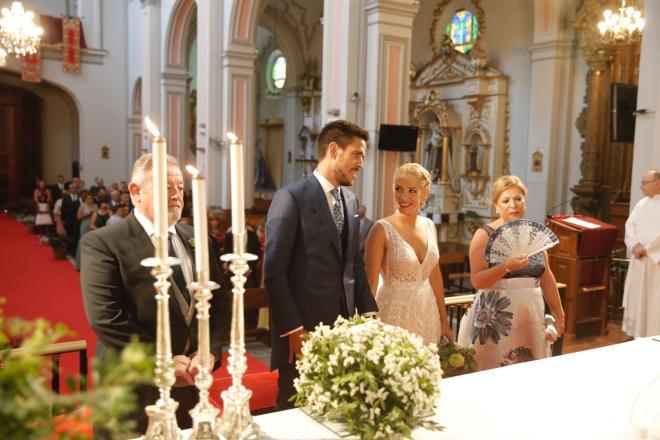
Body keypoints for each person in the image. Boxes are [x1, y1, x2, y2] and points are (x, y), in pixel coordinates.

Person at [80, 153, 228, 433]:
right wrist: (160, 363)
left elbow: (218, 300)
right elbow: (106, 317)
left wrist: (208, 352)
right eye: (166, 187)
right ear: (135, 192)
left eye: (180, 188)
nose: (176, 195)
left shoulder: (196, 237)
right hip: (131, 389)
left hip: (188, 386)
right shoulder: (102, 243)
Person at [265, 120, 379, 410]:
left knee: (336, 414)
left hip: (344, 331)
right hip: (303, 332)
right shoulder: (291, 197)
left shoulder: (351, 202)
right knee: (296, 414)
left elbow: (354, 264)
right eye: (357, 154)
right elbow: (274, 272)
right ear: (333, 150)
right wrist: (293, 330)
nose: (361, 164)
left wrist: (369, 315)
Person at [457, 175, 565, 370]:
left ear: (524, 201)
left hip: (530, 313)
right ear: (496, 206)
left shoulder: (532, 235)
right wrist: (505, 266)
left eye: (518, 199)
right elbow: (476, 281)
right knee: (494, 369)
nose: (512, 205)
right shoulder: (484, 235)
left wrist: (559, 313)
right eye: (505, 200)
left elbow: (546, 277)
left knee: (528, 369)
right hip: (496, 318)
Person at [364, 163, 452, 345]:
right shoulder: (381, 229)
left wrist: (444, 322)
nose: (403, 197)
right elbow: (370, 285)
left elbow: (434, 276)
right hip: (393, 315)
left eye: (412, 190)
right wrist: (365, 329)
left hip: (427, 314)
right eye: (398, 189)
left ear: (425, 192)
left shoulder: (429, 226)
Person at [622, 169, 660, 338]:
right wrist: (635, 245)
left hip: (655, 262)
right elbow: (630, 226)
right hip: (639, 260)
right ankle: (636, 334)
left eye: (645, 182)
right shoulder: (641, 204)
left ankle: (653, 335)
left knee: (653, 303)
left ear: (657, 183)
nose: (641, 186)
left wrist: (648, 249)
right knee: (638, 300)